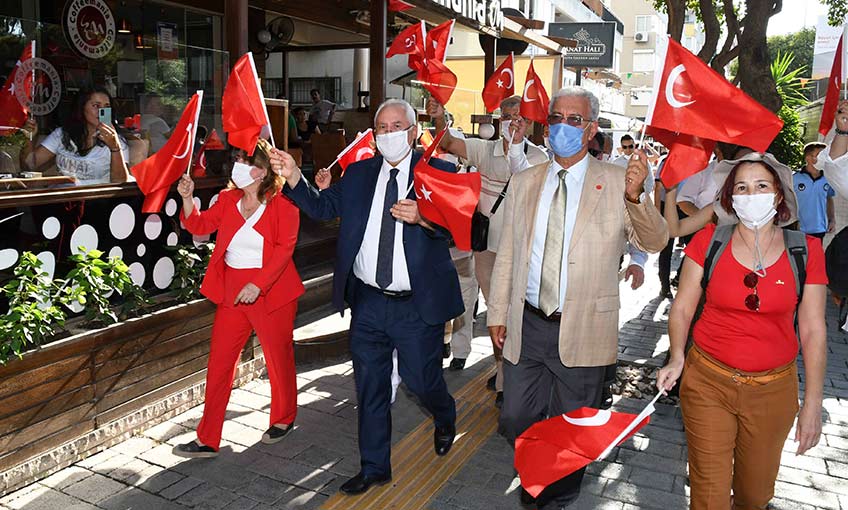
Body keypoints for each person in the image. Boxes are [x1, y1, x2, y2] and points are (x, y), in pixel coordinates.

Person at [487, 87, 668, 508]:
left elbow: (656, 239)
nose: (562, 127)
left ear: (590, 130)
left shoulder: (618, 180)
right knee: (515, 417)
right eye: (556, 118)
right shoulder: (526, 180)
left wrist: (635, 196)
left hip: (584, 327)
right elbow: (510, 252)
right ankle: (536, 475)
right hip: (528, 323)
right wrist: (497, 311)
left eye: (574, 120)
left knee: (570, 430)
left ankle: (551, 499)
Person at [270, 98, 462, 496]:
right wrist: (293, 177)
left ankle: (445, 415)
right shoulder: (359, 174)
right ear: (374, 136)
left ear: (412, 132)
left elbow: (461, 229)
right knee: (371, 386)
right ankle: (375, 467)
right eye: (382, 128)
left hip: (416, 304)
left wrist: (424, 219)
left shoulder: (437, 171)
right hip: (369, 302)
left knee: (421, 381)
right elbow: (322, 206)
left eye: (397, 126)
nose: (389, 134)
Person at [657, 151, 826, 509]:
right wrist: (675, 357)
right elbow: (684, 306)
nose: (752, 196)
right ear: (730, 198)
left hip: (773, 391)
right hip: (708, 383)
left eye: (761, 186)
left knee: (754, 496)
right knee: (709, 495)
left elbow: (812, 329)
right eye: (742, 188)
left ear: (778, 194)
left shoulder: (806, 251)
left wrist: (812, 403)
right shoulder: (709, 242)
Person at [173, 139, 304, 458]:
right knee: (219, 362)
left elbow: (284, 252)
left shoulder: (283, 206)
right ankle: (207, 438)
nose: (237, 166)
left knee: (278, 358)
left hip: (272, 291)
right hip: (232, 289)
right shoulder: (227, 199)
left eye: (245, 161)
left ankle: (283, 418)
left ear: (262, 171)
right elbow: (198, 225)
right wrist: (188, 199)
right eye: (237, 159)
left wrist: (258, 285)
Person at [427, 95, 548, 407]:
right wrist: (440, 116)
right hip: (488, 252)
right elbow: (448, 143)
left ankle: (513, 372)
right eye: (506, 116)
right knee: (498, 312)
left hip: (525, 254)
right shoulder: (485, 149)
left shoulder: (539, 159)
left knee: (517, 315)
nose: (512, 122)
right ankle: (503, 371)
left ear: (530, 122)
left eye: (519, 116)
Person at [20, 86, 130, 185]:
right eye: (96, 106)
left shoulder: (116, 140)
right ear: (82, 108)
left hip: (96, 200)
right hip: (63, 199)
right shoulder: (62, 134)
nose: (102, 111)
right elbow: (30, 165)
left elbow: (120, 182)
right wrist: (28, 137)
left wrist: (114, 147)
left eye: (106, 106)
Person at [794, 142, 835, 239]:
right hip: (797, 230)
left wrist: (832, 220)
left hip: (819, 230)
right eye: (820, 155)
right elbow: (787, 200)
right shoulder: (794, 178)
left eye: (824, 155)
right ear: (808, 158)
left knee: (816, 254)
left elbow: (829, 198)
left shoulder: (828, 179)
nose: (823, 159)